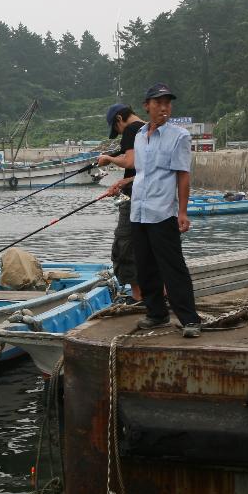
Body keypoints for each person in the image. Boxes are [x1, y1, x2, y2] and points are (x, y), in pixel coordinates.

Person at [129, 83, 200, 337]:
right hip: (138, 211)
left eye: (167, 103)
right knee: (145, 266)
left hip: (162, 212)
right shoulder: (139, 136)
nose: (164, 108)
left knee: (172, 266)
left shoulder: (179, 136)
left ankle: (190, 319)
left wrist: (182, 212)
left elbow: (183, 176)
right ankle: (156, 314)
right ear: (147, 106)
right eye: (158, 103)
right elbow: (142, 174)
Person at [98, 103, 145, 303]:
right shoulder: (147, 128)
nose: (118, 132)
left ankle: (138, 297)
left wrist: (108, 158)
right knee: (148, 247)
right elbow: (143, 169)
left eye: (116, 128)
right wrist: (123, 181)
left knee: (124, 246)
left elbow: (131, 162)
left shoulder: (131, 129)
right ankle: (157, 295)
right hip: (149, 196)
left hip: (135, 199)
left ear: (119, 119)